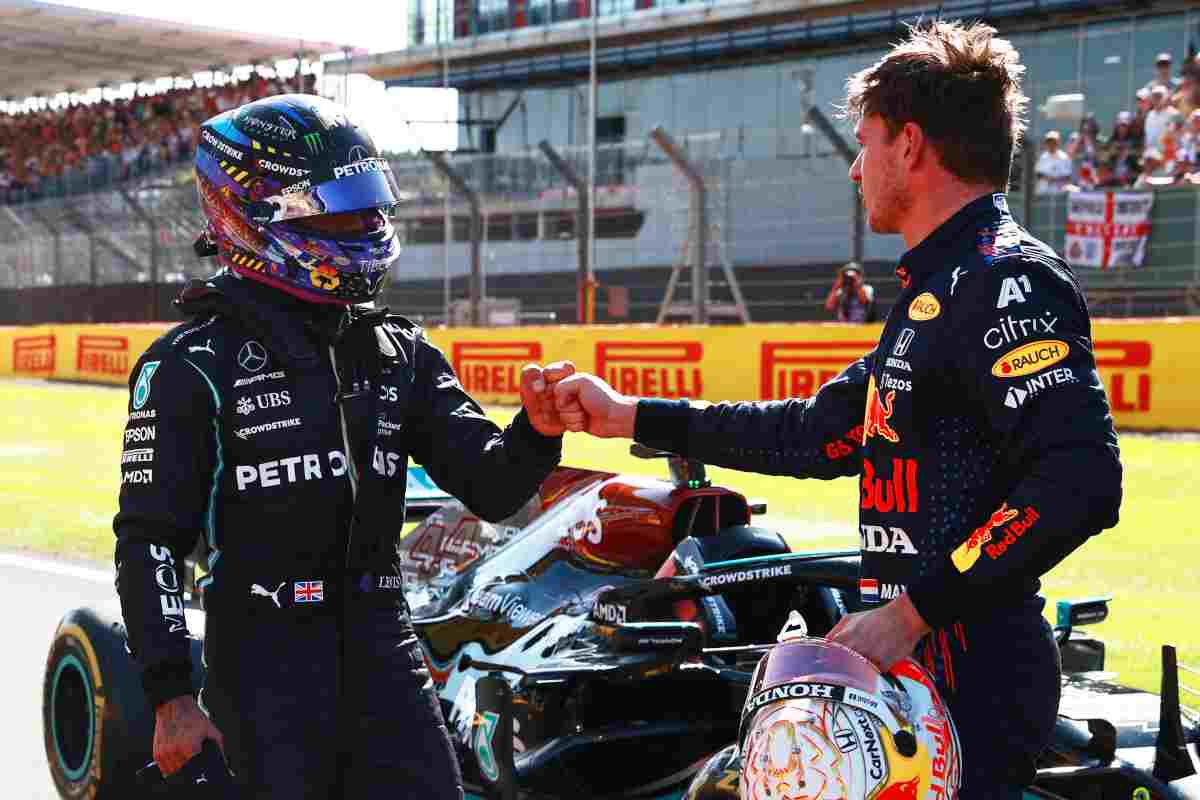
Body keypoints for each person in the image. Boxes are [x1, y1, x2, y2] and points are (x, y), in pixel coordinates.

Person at [546, 21, 1123, 800]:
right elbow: (815, 434)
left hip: (972, 681)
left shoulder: (1006, 280)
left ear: (911, 146)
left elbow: (1080, 481)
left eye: (867, 142)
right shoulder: (937, 294)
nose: (856, 168)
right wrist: (626, 417)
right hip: (914, 672)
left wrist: (914, 612)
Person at [113, 94, 571, 799]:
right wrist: (172, 695)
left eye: (370, 205)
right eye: (341, 210)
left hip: (387, 657)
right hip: (263, 672)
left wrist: (538, 429)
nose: (367, 225)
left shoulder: (399, 351)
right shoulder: (188, 364)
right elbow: (150, 542)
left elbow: (496, 487)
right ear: (253, 212)